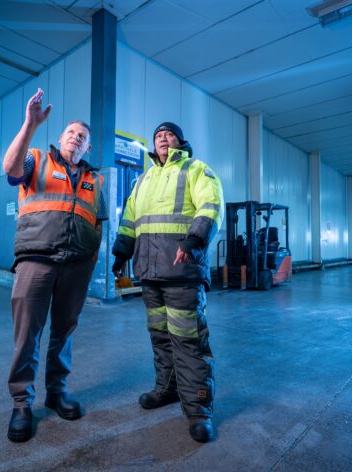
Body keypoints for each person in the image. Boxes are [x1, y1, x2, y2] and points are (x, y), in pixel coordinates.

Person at [3, 88, 105, 443]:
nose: (76, 138)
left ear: (88, 147)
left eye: (82, 136)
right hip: (36, 260)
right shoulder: (36, 159)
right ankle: (21, 403)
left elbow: (98, 225)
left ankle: (57, 391)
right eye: (71, 132)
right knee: (27, 334)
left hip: (76, 266)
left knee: (64, 332)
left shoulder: (95, 180)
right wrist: (30, 125)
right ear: (60, 138)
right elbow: (10, 169)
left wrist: (89, 264)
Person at [111, 122, 224, 443]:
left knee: (188, 340)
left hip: (182, 271)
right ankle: (167, 388)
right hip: (150, 274)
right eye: (158, 135)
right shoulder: (143, 179)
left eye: (169, 134)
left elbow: (211, 205)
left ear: (180, 141)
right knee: (160, 337)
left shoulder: (195, 169)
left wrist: (194, 240)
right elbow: (130, 219)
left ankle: (199, 408)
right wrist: (121, 253)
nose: (163, 138)